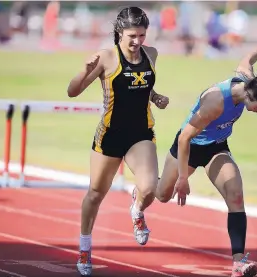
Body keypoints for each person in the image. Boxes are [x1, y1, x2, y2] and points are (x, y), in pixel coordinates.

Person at [154, 20, 257, 277]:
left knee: (235, 195)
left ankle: (239, 260)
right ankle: (141, 192)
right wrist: (183, 178)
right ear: (251, 98)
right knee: (162, 195)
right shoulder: (215, 102)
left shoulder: (247, 82)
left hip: (216, 147)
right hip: (190, 146)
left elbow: (246, 59)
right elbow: (184, 138)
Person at [67, 6, 169, 276]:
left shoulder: (152, 54)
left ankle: (136, 210)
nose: (137, 42)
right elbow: (72, 91)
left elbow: (142, 85)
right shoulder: (106, 57)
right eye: (132, 36)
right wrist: (84, 70)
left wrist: (155, 97)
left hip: (140, 132)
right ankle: (85, 248)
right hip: (110, 134)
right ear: (119, 32)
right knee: (96, 194)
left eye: (142, 35)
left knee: (149, 189)